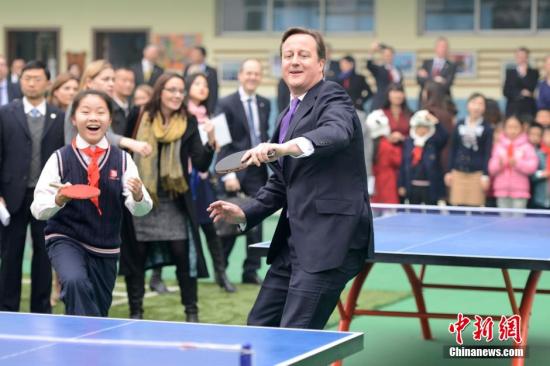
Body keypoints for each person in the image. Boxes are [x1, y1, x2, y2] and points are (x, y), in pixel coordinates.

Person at [208, 27, 373, 330]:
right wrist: (246, 211)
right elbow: (283, 182)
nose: (294, 61)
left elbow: (335, 133)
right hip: (293, 242)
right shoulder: (288, 114)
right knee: (259, 324)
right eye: (288, 55)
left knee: (295, 337)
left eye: (304, 55)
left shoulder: (333, 97)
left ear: (321, 63)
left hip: (329, 241)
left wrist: (284, 148)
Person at [30, 90, 152, 316]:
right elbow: (38, 209)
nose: (93, 117)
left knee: (98, 310)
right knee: (74, 281)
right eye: (85, 112)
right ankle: (83, 346)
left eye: (100, 112)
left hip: (105, 247)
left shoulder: (123, 160)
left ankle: (85, 343)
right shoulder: (59, 158)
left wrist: (137, 196)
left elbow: (143, 208)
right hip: (65, 239)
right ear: (74, 119)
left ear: (110, 119)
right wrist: (58, 199)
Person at [131, 73, 216, 322]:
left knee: (183, 254)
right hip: (142, 197)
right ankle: (136, 312)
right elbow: (122, 148)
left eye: (181, 91)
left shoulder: (187, 120)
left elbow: (200, 162)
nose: (178, 95)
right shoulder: (138, 116)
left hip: (175, 198)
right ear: (160, 92)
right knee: (138, 256)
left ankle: (191, 312)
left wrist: (210, 140)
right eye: (172, 90)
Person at [0, 61, 65, 313]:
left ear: (48, 83)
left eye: (37, 78)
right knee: (11, 254)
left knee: (43, 253)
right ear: (20, 81)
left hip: (46, 196)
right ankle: (6, 308)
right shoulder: (6, 113)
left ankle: (41, 309)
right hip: (12, 195)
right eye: (27, 78)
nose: (32, 83)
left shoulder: (59, 117)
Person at [216, 59, 271, 287]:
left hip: (258, 171)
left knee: (256, 224)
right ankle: (222, 271)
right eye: (248, 73)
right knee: (229, 225)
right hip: (235, 172)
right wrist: (228, 174)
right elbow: (221, 140)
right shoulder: (225, 103)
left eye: (256, 74)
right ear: (240, 75)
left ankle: (251, 271)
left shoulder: (265, 104)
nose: (252, 77)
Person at [184, 71, 235, 293]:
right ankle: (159, 276)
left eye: (205, 85)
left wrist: (213, 136)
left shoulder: (211, 118)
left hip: (203, 179)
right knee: (179, 230)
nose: (202, 88)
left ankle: (221, 274)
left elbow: (218, 150)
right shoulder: (181, 115)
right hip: (183, 180)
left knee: (210, 229)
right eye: (197, 84)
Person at [64, 60, 151, 157]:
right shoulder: (77, 104)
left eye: (113, 80)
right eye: (106, 79)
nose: (111, 84)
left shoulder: (105, 104)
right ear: (89, 82)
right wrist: (128, 142)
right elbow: (98, 133)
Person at [445, 93, 493, 207]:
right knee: (457, 209)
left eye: (480, 104)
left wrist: (485, 175)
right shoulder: (459, 124)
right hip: (458, 172)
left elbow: (488, 152)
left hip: (477, 174)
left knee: (475, 209)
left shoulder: (487, 127)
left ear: (484, 108)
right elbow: (453, 148)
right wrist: (449, 171)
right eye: (473, 103)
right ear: (467, 106)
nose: (476, 107)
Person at [398, 110, 448, 205]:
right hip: (412, 186)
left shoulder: (434, 142)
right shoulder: (409, 142)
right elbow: (403, 165)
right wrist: (401, 185)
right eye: (419, 127)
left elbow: (444, 136)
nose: (422, 130)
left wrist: (435, 122)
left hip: (430, 187)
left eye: (425, 127)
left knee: (431, 214)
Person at [488, 115, 538, 211]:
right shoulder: (499, 146)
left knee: (518, 222)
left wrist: (517, 163)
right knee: (502, 222)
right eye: (509, 127)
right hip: (501, 190)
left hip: (520, 191)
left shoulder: (527, 146)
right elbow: (491, 168)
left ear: (521, 128)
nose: (512, 130)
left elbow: (532, 167)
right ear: (505, 128)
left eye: (516, 127)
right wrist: (500, 164)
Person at [366, 109, 401, 204]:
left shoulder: (368, 144)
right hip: (388, 180)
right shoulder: (387, 145)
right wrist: (398, 145)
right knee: (389, 211)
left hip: (373, 180)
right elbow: (397, 161)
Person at [416, 37, 457, 105]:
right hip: (425, 100)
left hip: (443, 101)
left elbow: (448, 84)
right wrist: (436, 79)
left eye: (444, 47)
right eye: (440, 46)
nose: (442, 49)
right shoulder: (426, 63)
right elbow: (420, 80)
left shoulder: (451, 66)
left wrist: (427, 77)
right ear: (435, 48)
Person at [503, 47, 539, 119]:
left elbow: (532, 88)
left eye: (524, 57)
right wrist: (521, 92)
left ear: (527, 58)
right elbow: (506, 92)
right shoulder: (510, 72)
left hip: (528, 108)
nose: (521, 59)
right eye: (519, 56)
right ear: (516, 57)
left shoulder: (534, 72)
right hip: (513, 107)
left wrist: (524, 74)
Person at [367, 42, 403, 111]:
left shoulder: (398, 71)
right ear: (383, 56)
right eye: (386, 55)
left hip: (395, 104)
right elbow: (369, 65)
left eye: (389, 55)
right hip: (380, 103)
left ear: (393, 55)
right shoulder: (379, 69)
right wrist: (372, 51)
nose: (388, 57)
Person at [184, 46, 219, 112]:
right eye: (192, 54)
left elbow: (214, 91)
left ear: (203, 56)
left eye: (196, 54)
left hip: (206, 106)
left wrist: (211, 109)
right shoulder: (187, 68)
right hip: (189, 105)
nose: (193, 56)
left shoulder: (211, 71)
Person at [531, 126, 550, 209]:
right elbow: (531, 175)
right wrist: (543, 174)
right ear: (542, 138)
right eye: (547, 135)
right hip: (540, 200)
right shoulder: (537, 154)